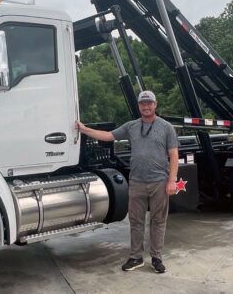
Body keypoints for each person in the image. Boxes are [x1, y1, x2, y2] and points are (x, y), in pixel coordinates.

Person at [76, 90, 180, 274]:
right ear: (139, 106)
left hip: (159, 182)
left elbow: (174, 155)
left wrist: (172, 181)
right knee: (136, 221)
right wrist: (84, 130)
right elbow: (108, 136)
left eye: (149, 103)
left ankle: (156, 258)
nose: (146, 106)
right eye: (143, 104)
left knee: (158, 221)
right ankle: (136, 257)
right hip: (137, 182)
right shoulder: (131, 126)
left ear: (155, 105)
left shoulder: (166, 127)